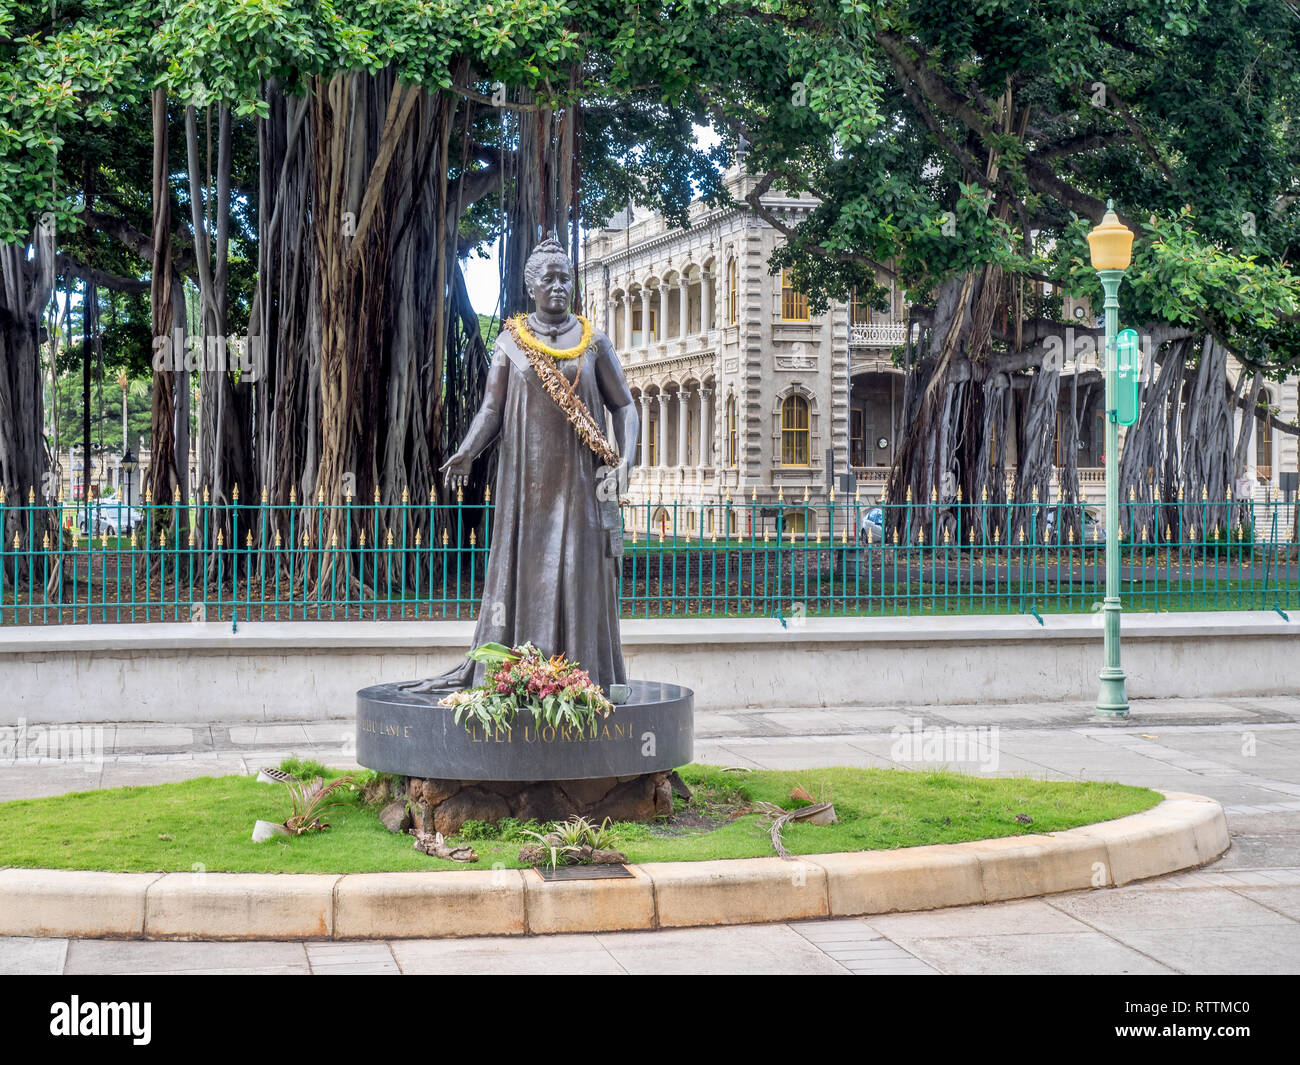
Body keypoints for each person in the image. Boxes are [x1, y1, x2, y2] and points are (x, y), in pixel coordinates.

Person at [403, 238, 639, 697]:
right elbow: (491, 409)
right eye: (547, 278)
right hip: (527, 486)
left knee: (580, 571)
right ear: (531, 286)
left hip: (583, 484)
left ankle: (584, 677)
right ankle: (522, 675)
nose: (558, 286)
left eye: (565, 277)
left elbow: (625, 406)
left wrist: (627, 460)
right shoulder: (511, 343)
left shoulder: (594, 342)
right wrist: (469, 449)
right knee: (527, 571)